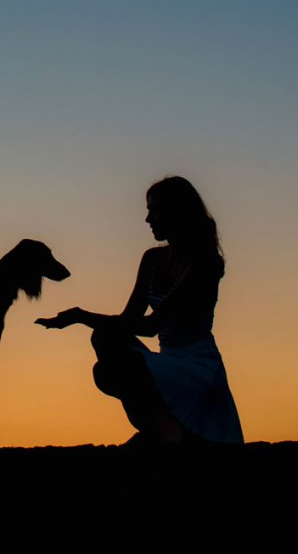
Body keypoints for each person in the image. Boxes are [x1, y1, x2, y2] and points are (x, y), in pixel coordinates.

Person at [36, 176, 243, 444]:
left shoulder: (205, 263)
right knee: (104, 349)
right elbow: (129, 320)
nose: (148, 219)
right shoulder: (152, 259)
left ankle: (169, 434)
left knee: (106, 347)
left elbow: (150, 326)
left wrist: (81, 316)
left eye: (154, 211)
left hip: (197, 366)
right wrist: (88, 321)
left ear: (176, 212)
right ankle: (157, 429)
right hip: (168, 358)